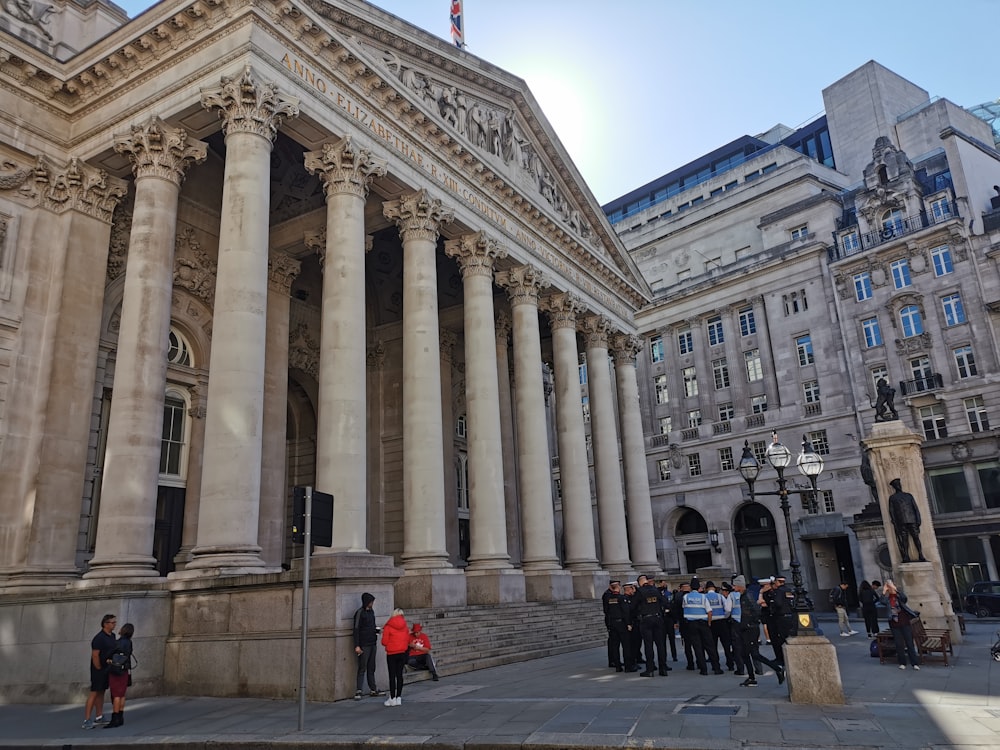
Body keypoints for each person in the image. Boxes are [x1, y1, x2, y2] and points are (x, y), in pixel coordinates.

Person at [735, 578, 784, 687]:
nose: (734, 587)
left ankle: (777, 669)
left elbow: (755, 610)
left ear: (739, 586)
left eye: (735, 585)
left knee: (754, 654)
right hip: (747, 627)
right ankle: (751, 678)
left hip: (750, 628)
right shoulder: (744, 596)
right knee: (745, 654)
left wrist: (749, 623)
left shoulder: (748, 596)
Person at [631, 574, 669, 677]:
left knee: (648, 645)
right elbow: (665, 602)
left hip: (646, 619)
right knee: (660, 645)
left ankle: (650, 669)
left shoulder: (640, 591)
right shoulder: (655, 589)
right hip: (657, 617)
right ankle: (663, 668)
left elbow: (632, 606)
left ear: (640, 582)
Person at [83, 613, 117, 729]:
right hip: (98, 669)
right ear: (105, 624)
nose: (114, 625)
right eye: (112, 622)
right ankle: (87, 719)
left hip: (107, 667)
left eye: (115, 622)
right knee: (94, 692)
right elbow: (95, 655)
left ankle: (99, 716)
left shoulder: (112, 636)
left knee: (101, 692)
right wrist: (98, 668)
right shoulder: (99, 638)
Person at [683, 577, 722, 675]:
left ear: (691, 587)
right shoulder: (703, 597)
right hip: (703, 623)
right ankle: (716, 668)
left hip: (691, 624)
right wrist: (708, 623)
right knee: (710, 646)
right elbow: (709, 611)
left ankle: (703, 669)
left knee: (697, 647)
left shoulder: (686, 597)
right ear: (699, 587)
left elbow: (684, 607)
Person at [881, 580, 921, 670]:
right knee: (899, 644)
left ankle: (914, 663)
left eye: (891, 588)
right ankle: (902, 662)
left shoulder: (899, 597)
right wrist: (884, 590)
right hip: (894, 623)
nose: (890, 589)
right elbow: (882, 601)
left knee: (909, 643)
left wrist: (895, 589)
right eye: (889, 588)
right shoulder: (888, 599)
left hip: (904, 622)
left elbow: (904, 598)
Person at [352, 592, 384, 700]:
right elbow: (356, 630)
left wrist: (376, 630)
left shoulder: (371, 612)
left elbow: (371, 626)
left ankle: (373, 688)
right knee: (362, 667)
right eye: (371, 602)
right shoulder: (360, 613)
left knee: (371, 667)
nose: (372, 604)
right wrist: (357, 645)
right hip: (364, 644)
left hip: (372, 642)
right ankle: (359, 690)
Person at [104, 622, 134, 729]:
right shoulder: (129, 643)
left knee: (116, 695)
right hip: (125, 670)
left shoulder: (117, 643)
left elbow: (109, 655)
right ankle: (120, 717)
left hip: (116, 670)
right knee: (121, 695)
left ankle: (115, 718)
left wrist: (108, 660)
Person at [888, 479, 926, 562]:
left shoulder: (909, 495)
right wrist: (895, 522)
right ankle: (906, 556)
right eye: (896, 485)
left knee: (916, 538)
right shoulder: (892, 498)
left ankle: (920, 554)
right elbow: (892, 511)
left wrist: (918, 520)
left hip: (912, 520)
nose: (898, 486)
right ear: (894, 487)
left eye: (899, 484)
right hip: (901, 521)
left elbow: (915, 508)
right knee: (904, 540)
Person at [381, 607, 410, 706]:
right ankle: (399, 697)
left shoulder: (388, 626)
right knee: (399, 675)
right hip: (402, 652)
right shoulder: (405, 626)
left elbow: (384, 642)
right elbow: (407, 639)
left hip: (391, 653)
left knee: (392, 676)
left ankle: (392, 697)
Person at [603, 580, 632, 672]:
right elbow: (626, 612)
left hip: (612, 624)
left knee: (615, 646)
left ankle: (617, 666)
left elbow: (607, 612)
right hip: (622, 624)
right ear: (618, 587)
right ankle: (628, 666)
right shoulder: (622, 598)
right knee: (626, 645)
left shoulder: (608, 598)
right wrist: (628, 624)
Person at [602, 580, 623, 668]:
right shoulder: (608, 595)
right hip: (611, 620)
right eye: (618, 585)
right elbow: (607, 610)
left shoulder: (610, 594)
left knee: (614, 642)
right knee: (613, 642)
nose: (619, 587)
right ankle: (613, 660)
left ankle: (615, 660)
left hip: (612, 620)